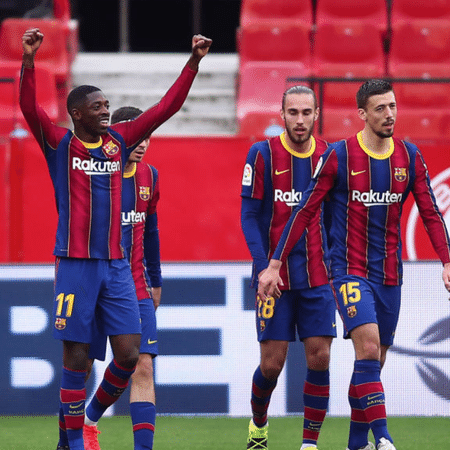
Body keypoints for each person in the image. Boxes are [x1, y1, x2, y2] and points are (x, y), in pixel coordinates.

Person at [20, 28, 211, 450]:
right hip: (75, 265)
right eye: (97, 106)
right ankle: (70, 442)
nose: (106, 111)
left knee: (128, 356)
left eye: (107, 105)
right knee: (76, 360)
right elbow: (29, 110)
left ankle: (88, 419)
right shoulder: (60, 145)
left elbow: (166, 108)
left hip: (118, 266)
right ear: (76, 113)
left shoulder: (118, 143)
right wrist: (29, 61)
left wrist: (193, 62)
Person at [258, 79, 450, 450]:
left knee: (373, 363)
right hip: (348, 269)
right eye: (380, 108)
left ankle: (356, 443)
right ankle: (384, 439)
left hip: (390, 275)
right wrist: (276, 261)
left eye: (392, 106)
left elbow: (430, 211)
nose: (389, 114)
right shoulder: (341, 156)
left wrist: (446, 260)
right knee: (367, 347)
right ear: (362, 114)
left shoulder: (409, 157)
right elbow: (305, 210)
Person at [241, 85, 336, 450]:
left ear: (316, 115)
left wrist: (332, 260)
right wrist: (265, 266)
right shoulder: (262, 154)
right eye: (292, 113)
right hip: (273, 279)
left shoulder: (329, 156)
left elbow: (332, 216)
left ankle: (309, 444)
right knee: (271, 365)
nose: (300, 120)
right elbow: (249, 215)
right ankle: (259, 425)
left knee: (321, 356)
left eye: (306, 113)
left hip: (316, 276)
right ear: (282, 115)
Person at [82, 106, 162, 450]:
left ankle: (100, 425)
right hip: (94, 281)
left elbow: (153, 231)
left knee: (142, 366)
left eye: (147, 135)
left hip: (137, 285)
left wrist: (156, 279)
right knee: (81, 365)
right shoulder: (94, 174)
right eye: (136, 136)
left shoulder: (150, 177)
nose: (142, 143)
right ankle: (74, 431)